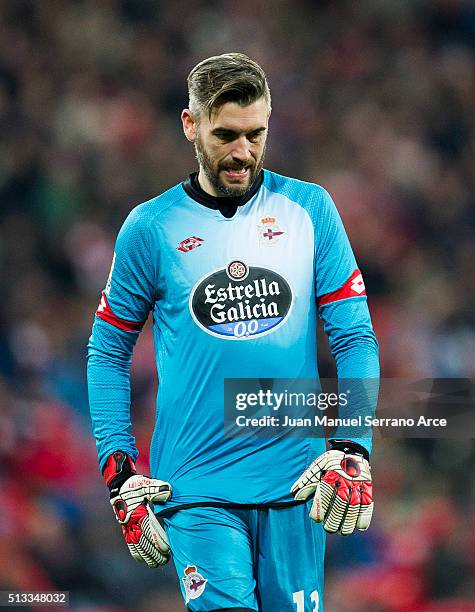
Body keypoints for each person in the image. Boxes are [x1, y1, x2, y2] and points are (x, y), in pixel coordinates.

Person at [87, 53, 379, 612]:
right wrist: (120, 471)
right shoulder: (150, 228)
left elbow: (355, 337)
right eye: (226, 134)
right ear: (190, 125)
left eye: (256, 133)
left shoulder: (311, 209)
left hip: (297, 483)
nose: (243, 152)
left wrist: (352, 447)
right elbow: (107, 351)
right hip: (195, 487)